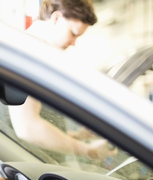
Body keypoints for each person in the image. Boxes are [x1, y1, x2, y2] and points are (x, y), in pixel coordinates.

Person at [9, 0, 116, 160]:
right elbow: (27, 128)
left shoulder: (35, 52)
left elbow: (38, 120)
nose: (73, 43)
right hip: (19, 164)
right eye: (73, 33)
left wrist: (78, 136)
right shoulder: (27, 55)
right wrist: (88, 150)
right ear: (56, 18)